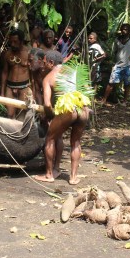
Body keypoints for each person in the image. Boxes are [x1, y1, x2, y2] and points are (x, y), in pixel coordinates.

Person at [33, 51, 90, 185]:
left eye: (45, 62)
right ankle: (73, 177)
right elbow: (86, 89)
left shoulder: (49, 77)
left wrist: (50, 115)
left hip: (68, 109)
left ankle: (49, 175)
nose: (44, 64)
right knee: (75, 142)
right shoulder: (73, 71)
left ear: (51, 63)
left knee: (50, 138)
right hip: (83, 108)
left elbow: (47, 104)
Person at [101, 23, 130, 106]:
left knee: (127, 84)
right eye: (122, 29)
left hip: (128, 66)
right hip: (118, 66)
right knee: (111, 83)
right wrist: (113, 63)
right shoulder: (117, 40)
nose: (124, 31)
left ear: (129, 31)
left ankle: (124, 102)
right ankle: (104, 100)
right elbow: (115, 52)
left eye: (126, 29)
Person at [1, 29, 31, 119]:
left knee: (22, 114)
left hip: (24, 87)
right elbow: (5, 72)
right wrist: (2, 92)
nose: (13, 44)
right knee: (10, 115)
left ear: (21, 41)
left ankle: (20, 133)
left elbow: (33, 72)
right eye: (11, 42)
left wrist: (32, 88)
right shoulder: (8, 53)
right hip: (10, 87)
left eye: (15, 42)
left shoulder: (29, 53)